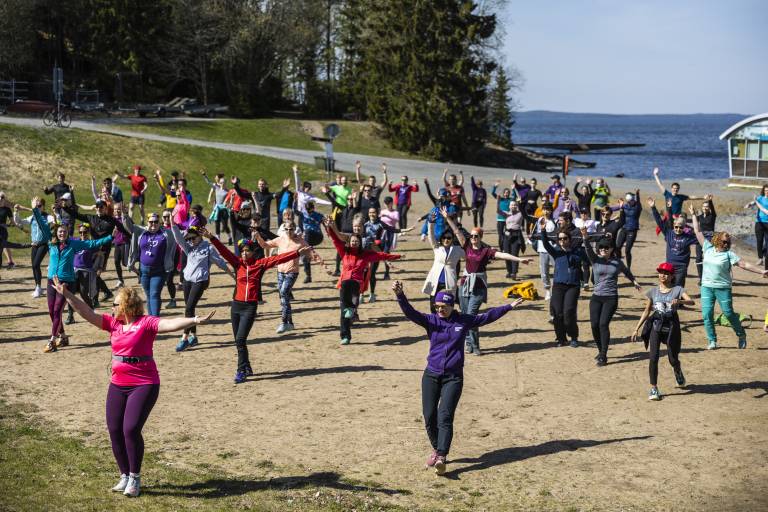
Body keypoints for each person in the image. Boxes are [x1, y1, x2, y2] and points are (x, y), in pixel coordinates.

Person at [51, 277, 214, 497]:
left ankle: (135, 477)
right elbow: (86, 312)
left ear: (126, 305)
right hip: (118, 383)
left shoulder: (145, 323)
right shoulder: (113, 323)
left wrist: (194, 320)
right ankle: (124, 475)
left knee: (130, 429)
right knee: (114, 429)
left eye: (115, 304)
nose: (112, 307)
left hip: (144, 383)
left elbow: (168, 323)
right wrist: (67, 294)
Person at [392, 281, 524, 475]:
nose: (440, 310)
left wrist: (509, 306)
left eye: (444, 307)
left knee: (445, 416)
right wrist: (400, 295)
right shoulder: (431, 321)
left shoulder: (463, 320)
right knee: (429, 416)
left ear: (452, 306)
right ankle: (437, 449)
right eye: (437, 306)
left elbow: (486, 317)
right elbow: (411, 313)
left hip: (453, 377)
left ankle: (441, 456)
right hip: (431, 375)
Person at [206, 231, 307, 383]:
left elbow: (278, 259)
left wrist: (297, 253)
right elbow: (224, 252)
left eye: (247, 250)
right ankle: (247, 367)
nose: (244, 253)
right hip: (236, 306)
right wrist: (212, 238)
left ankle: (241, 371)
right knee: (238, 341)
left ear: (253, 252)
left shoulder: (259, 265)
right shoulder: (237, 263)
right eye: (242, 251)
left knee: (240, 339)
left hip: (249, 307)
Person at [445, 211, 532, 355]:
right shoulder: (466, 245)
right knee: (465, 315)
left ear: (480, 237)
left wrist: (519, 259)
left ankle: (475, 345)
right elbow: (456, 231)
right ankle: (468, 343)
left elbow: (502, 255)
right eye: (472, 236)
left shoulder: (486, 251)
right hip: (465, 284)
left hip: (478, 285)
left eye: (476, 236)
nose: (473, 238)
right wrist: (447, 217)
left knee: (471, 315)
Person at [32, 207, 113, 352]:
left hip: (66, 282)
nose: (62, 233)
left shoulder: (73, 244)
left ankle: (52, 340)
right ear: (56, 233)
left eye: (64, 231)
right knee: (52, 312)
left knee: (57, 310)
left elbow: (92, 244)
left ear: (68, 233)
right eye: (60, 231)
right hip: (51, 281)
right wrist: (35, 210)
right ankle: (63, 336)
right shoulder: (51, 242)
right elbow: (43, 226)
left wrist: (110, 238)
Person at [690, 204, 768, 350]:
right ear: (717, 240)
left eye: (728, 242)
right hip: (707, 287)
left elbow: (744, 264)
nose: (726, 244)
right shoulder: (707, 248)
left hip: (723, 288)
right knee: (707, 314)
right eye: (724, 242)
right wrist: (694, 215)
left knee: (728, 313)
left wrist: (761, 271)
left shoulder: (729, 254)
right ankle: (712, 341)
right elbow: (697, 231)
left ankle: (741, 334)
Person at [325, 218, 401, 345]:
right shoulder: (344, 252)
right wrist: (329, 228)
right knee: (343, 311)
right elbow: (335, 240)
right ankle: (345, 336)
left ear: (360, 243)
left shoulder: (365, 254)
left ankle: (352, 309)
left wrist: (397, 256)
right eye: (352, 241)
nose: (354, 243)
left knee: (353, 302)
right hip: (345, 282)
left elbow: (381, 255)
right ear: (349, 243)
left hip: (356, 283)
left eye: (356, 241)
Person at [631, 263, 695, 401]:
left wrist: (680, 302)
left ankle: (677, 370)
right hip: (656, 326)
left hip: (672, 327)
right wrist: (636, 328)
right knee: (653, 357)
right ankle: (654, 388)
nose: (663, 275)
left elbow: (691, 302)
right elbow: (647, 311)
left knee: (673, 358)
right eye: (661, 272)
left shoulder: (678, 289)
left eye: (666, 273)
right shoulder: (653, 291)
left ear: (672, 276)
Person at [581, 227, 641, 365]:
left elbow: (626, 271)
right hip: (596, 297)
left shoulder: (617, 262)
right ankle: (600, 349)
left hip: (611, 298)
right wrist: (585, 237)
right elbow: (588, 249)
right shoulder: (595, 260)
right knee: (594, 325)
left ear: (611, 249)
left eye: (606, 247)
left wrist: (634, 281)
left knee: (603, 324)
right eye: (601, 247)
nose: (603, 249)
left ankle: (603, 354)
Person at [170, 225, 232, 351]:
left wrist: (233, 275)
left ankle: (184, 338)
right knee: (190, 309)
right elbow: (178, 238)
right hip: (187, 281)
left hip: (200, 281)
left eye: (193, 238)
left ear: (200, 236)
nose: (191, 241)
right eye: (189, 238)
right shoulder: (188, 247)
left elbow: (220, 263)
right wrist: (172, 223)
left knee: (189, 308)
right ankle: (194, 336)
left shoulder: (208, 248)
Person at [254, 219, 321, 333]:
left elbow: (312, 253)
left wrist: (322, 264)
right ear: (284, 229)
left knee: (284, 293)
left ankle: (284, 322)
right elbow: (265, 245)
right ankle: (290, 323)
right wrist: (258, 237)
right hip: (280, 272)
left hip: (292, 272)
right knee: (283, 297)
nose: (289, 231)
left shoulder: (300, 241)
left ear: (295, 229)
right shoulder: (280, 239)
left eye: (291, 229)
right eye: (287, 229)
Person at [540, 220, 588, 347]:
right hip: (558, 286)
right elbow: (546, 245)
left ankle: (573, 337)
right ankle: (561, 338)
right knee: (557, 313)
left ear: (569, 239)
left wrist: (585, 238)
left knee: (568, 312)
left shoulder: (578, 252)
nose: (562, 241)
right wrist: (543, 230)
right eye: (560, 239)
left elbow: (589, 260)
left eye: (565, 238)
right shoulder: (556, 252)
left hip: (573, 286)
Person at [123, 211, 177, 317]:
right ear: (147, 222)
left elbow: (178, 234)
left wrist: (173, 224)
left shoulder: (166, 233)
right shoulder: (141, 231)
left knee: (155, 294)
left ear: (159, 222)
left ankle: (154, 319)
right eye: (151, 222)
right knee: (148, 295)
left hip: (159, 271)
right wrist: (124, 215)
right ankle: (151, 319)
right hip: (144, 271)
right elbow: (128, 226)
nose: (153, 224)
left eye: (156, 222)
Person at [363, 207, 411, 303]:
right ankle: (361, 294)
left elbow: (392, 229)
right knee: (363, 273)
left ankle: (372, 294)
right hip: (365, 251)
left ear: (377, 213)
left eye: (374, 212)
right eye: (370, 212)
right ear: (368, 214)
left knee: (372, 274)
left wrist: (405, 230)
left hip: (376, 252)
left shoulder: (380, 223)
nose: (372, 214)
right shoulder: (365, 224)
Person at [649, 197, 697, 287]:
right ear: (674, 226)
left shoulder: (688, 237)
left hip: (681, 268)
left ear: (684, 227)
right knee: (668, 287)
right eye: (676, 227)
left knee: (678, 288)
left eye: (681, 227)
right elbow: (659, 222)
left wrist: (694, 215)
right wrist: (653, 207)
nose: (678, 229)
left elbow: (701, 237)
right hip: (669, 267)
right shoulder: (669, 233)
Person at [423, 215, 466, 313]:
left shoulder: (458, 250)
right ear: (441, 239)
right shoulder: (437, 248)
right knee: (433, 306)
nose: (446, 240)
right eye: (444, 238)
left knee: (450, 304)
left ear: (452, 239)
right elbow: (431, 235)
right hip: (435, 281)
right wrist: (431, 223)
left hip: (449, 281)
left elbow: (468, 256)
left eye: (449, 238)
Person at [14, 198, 55, 297]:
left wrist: (53, 221)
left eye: (39, 206)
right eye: (36, 206)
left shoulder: (47, 217)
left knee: (36, 264)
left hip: (43, 244)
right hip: (34, 244)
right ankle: (38, 287)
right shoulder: (32, 217)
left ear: (43, 206)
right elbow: (19, 222)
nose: (37, 207)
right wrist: (16, 212)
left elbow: (54, 222)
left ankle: (38, 287)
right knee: (34, 266)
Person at [64, 223, 100, 324]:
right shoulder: (75, 241)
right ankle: (70, 316)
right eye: (80, 232)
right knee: (70, 293)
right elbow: (65, 236)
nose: (82, 234)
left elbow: (100, 255)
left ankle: (92, 311)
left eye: (85, 232)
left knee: (84, 293)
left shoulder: (91, 244)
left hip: (86, 271)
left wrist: (99, 267)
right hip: (74, 271)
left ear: (88, 232)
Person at [293, 164, 332, 229]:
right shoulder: (299, 192)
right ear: (304, 187)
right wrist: (296, 172)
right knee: (301, 227)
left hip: (307, 213)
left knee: (308, 226)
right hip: (300, 213)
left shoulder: (310, 196)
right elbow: (297, 182)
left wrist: (330, 203)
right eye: (307, 187)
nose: (307, 189)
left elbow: (319, 200)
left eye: (309, 188)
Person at [531, 202, 556, 300]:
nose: (546, 211)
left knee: (557, 269)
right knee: (544, 270)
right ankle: (547, 290)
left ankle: (556, 289)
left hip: (553, 249)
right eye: (544, 209)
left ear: (551, 211)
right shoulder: (539, 220)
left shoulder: (555, 221)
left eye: (548, 209)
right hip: (542, 249)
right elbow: (535, 234)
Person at [499, 200, 530, 279]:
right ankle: (509, 271)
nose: (513, 206)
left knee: (514, 254)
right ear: (509, 206)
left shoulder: (520, 213)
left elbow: (524, 209)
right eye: (512, 205)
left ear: (517, 206)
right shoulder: (506, 214)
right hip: (507, 235)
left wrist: (520, 202)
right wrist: (498, 200)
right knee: (506, 254)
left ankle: (514, 273)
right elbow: (498, 210)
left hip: (516, 236)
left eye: (515, 205)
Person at [202, 171, 232, 244]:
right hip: (217, 209)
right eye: (221, 183)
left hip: (224, 210)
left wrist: (229, 206)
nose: (222, 184)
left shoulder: (228, 191)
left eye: (224, 183)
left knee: (225, 225)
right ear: (219, 183)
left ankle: (230, 237)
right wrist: (204, 175)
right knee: (217, 223)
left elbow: (230, 201)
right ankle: (218, 238)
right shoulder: (217, 188)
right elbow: (209, 182)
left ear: (226, 183)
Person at [615, 190, 642, 271]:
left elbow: (638, 201)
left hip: (632, 230)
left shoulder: (637, 207)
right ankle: (620, 264)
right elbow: (617, 210)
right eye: (628, 201)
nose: (630, 202)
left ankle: (628, 268)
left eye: (631, 200)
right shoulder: (625, 206)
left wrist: (637, 194)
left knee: (627, 250)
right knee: (617, 247)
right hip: (624, 229)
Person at [692, 195, 716, 284]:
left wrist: (710, 201)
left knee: (708, 259)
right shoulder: (700, 216)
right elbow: (694, 221)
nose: (705, 208)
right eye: (704, 207)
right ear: (702, 208)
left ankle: (709, 277)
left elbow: (712, 208)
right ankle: (701, 278)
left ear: (709, 208)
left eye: (707, 207)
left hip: (710, 239)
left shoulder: (713, 216)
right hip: (700, 238)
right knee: (698, 258)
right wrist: (693, 213)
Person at [744, 185, 768, 267]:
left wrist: (755, 201)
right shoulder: (760, 198)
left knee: (767, 242)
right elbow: (754, 202)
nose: (767, 192)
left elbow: (763, 210)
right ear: (763, 191)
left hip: (767, 223)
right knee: (759, 241)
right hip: (759, 223)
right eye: (765, 190)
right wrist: (749, 205)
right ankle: (760, 258)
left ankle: (764, 253)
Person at [491, 182, 514, 248]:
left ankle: (506, 246)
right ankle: (501, 248)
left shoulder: (510, 200)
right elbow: (493, 193)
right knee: (500, 235)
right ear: (503, 193)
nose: (506, 194)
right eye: (505, 193)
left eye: (508, 193)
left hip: (508, 220)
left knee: (507, 234)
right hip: (500, 220)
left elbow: (515, 197)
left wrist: (513, 189)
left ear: (509, 193)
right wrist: (495, 187)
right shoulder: (500, 199)